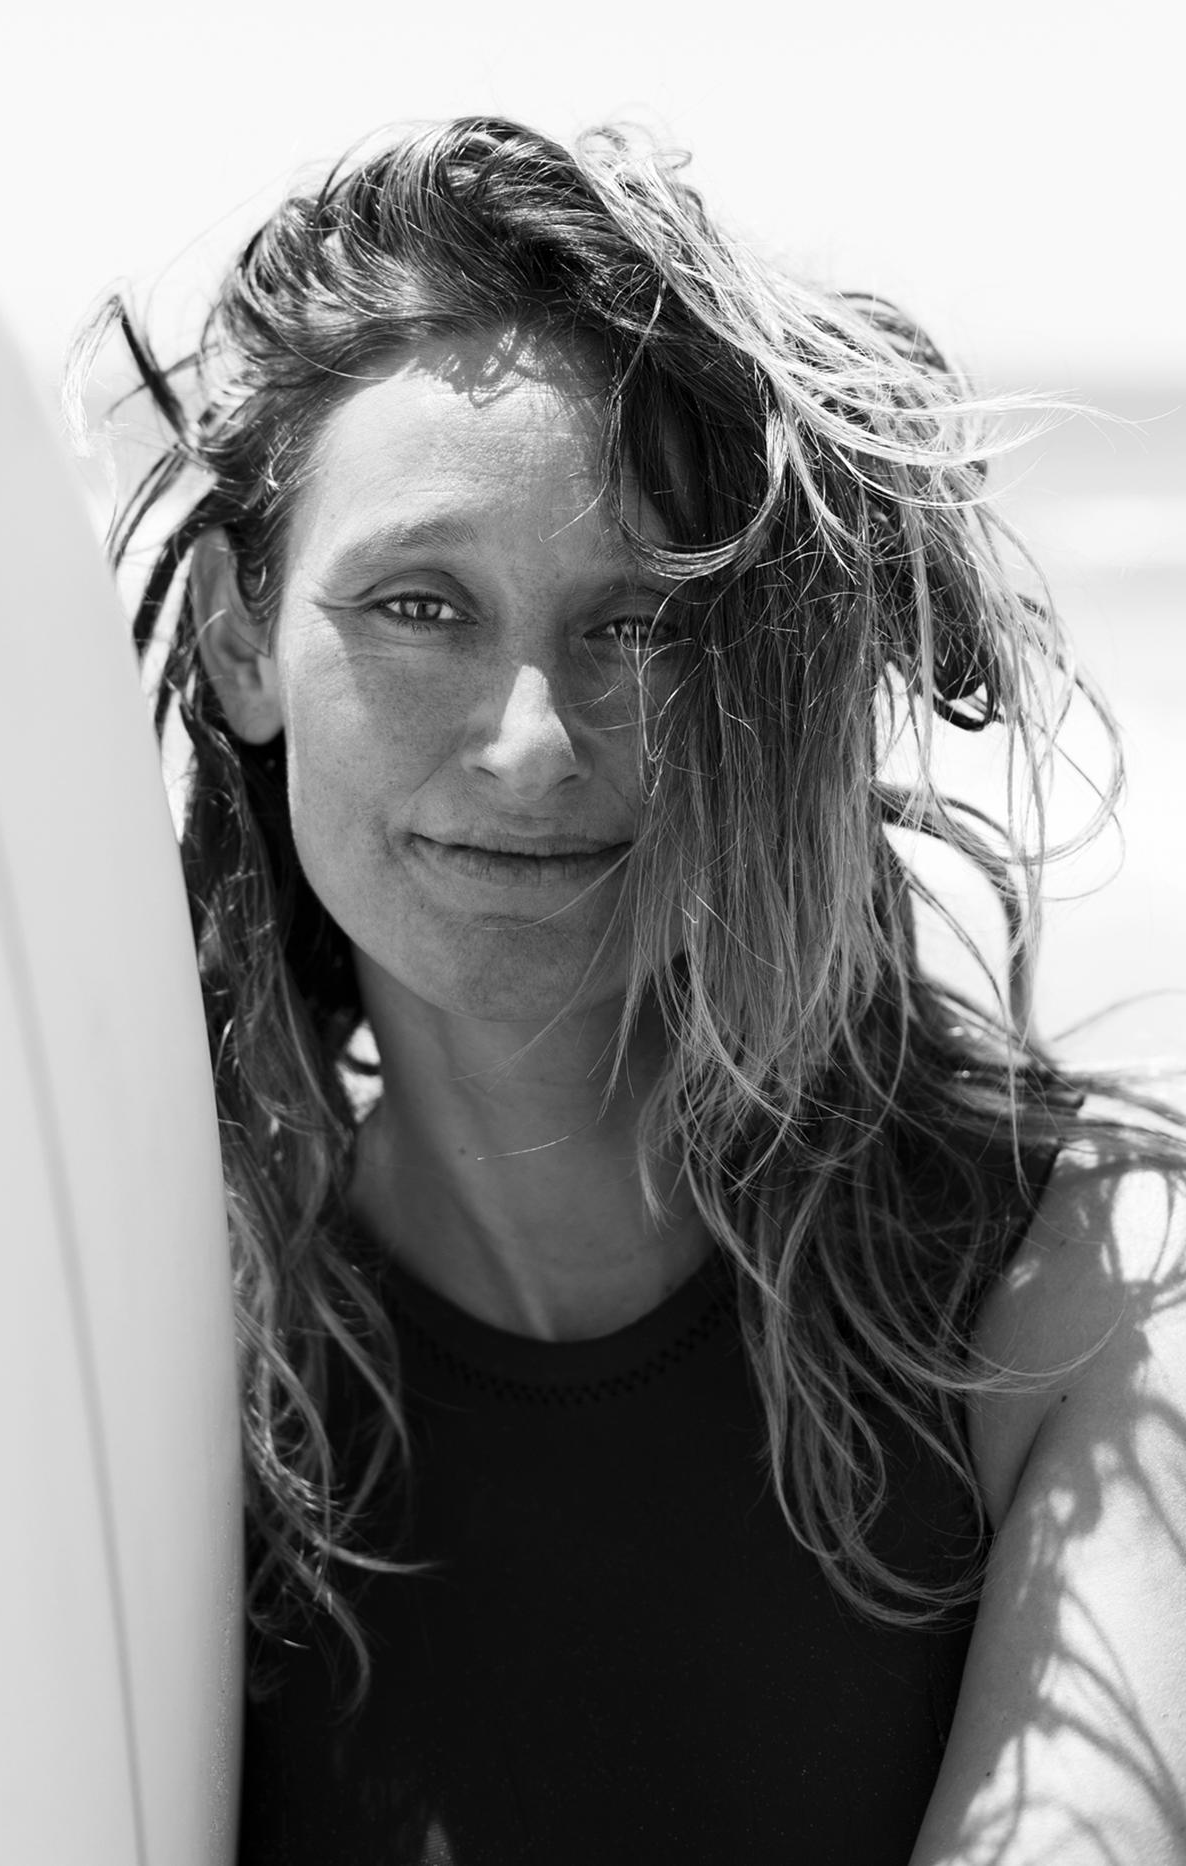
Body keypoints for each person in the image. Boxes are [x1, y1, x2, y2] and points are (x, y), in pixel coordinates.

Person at [78, 118, 1186, 1865]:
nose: (531, 747)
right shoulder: (171, 1380)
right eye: (422, 603)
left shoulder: (1080, 1297)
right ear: (240, 632)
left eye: (640, 620)